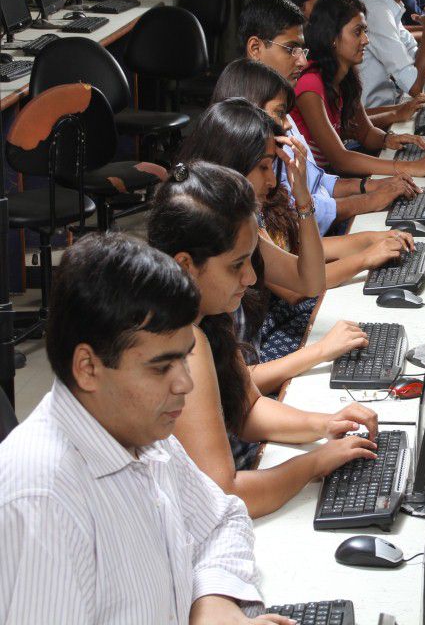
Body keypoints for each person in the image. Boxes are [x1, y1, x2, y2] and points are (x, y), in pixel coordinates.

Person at [0, 232, 290, 624]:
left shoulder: (140, 432)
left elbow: (222, 521)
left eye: (184, 358)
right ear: (88, 367)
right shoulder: (43, 502)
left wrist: (214, 602)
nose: (185, 383)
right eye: (161, 367)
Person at [148, 161, 380, 519]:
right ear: (186, 265)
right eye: (236, 265)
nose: (251, 277)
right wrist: (315, 462)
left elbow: (248, 407)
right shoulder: (180, 344)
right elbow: (225, 495)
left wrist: (325, 423)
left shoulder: (206, 312)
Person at [179, 97, 393, 383]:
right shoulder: (208, 237)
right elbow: (238, 385)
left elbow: (310, 281)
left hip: (252, 363)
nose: (271, 181)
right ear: (233, 163)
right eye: (263, 168)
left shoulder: (245, 221)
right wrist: (321, 351)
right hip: (251, 371)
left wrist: (303, 198)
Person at [213, 58, 419, 234]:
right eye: (290, 49)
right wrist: (370, 201)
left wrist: (368, 186)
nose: (301, 60)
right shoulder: (256, 180)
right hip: (321, 231)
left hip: (324, 229)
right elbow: (297, 239)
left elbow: (318, 181)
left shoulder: (280, 126)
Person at [295, 0, 425, 177]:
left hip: (329, 177)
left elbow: (366, 134)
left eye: (365, 31)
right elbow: (341, 160)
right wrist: (410, 167)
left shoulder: (347, 76)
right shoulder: (310, 86)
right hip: (315, 182)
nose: (366, 40)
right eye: (357, 32)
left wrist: (389, 139)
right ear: (332, 38)